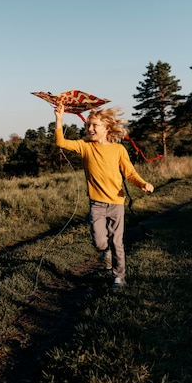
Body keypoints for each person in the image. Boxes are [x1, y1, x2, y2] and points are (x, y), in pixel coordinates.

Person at [54, 104, 154, 289]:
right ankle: (104, 251)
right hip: (97, 204)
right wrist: (59, 118)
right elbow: (61, 142)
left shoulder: (118, 150)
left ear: (107, 128)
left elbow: (130, 173)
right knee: (100, 242)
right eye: (88, 125)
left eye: (94, 125)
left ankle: (119, 277)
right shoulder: (85, 147)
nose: (90, 129)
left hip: (116, 203)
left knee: (117, 242)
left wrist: (142, 184)